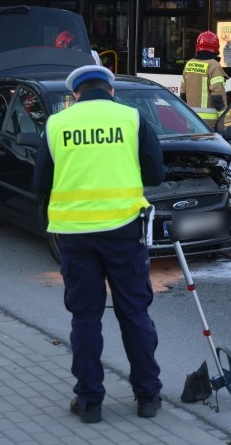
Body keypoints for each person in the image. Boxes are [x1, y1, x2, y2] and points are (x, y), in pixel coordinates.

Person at [34, 64, 166, 424]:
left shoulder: (57, 124)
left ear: (75, 94)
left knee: (86, 318)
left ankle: (90, 402)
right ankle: (147, 397)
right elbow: (156, 174)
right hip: (123, 231)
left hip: (74, 234)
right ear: (111, 90)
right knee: (134, 314)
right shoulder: (131, 119)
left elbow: (40, 182)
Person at [180, 31, 227, 129]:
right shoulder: (214, 65)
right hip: (208, 124)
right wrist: (225, 118)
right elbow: (217, 98)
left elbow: (183, 94)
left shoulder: (189, 64)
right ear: (216, 47)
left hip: (191, 119)